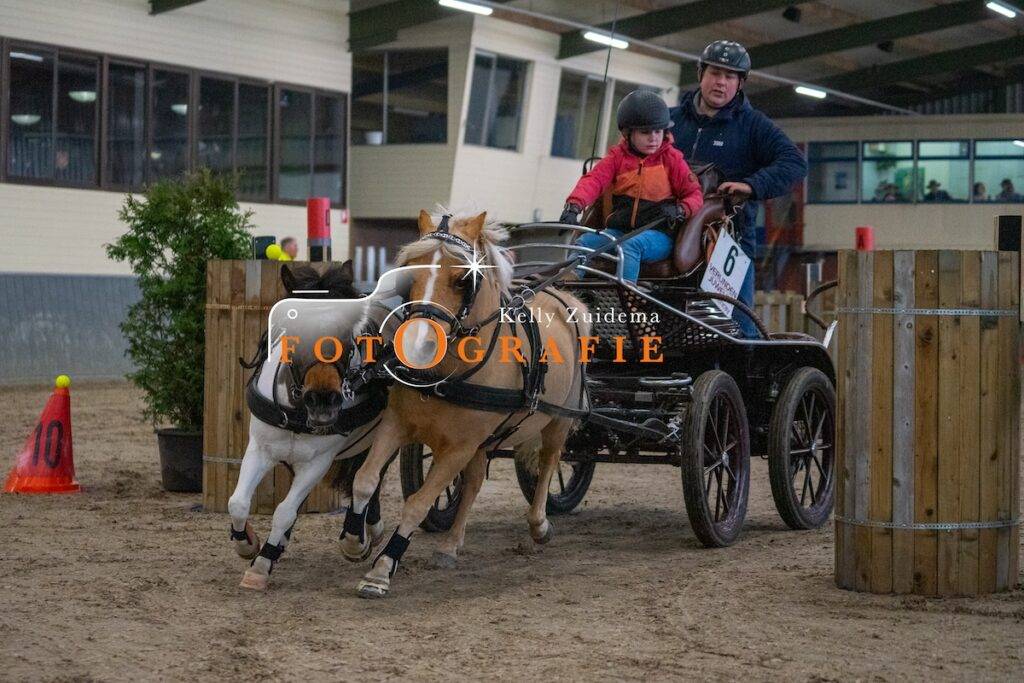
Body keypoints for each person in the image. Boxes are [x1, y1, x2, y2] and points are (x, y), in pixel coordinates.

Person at [669, 40, 807, 337]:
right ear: (701, 74)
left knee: (738, 331)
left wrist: (752, 185)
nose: (720, 82)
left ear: (740, 83)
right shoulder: (669, 122)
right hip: (667, 238)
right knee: (661, 324)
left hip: (728, 243)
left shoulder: (753, 125)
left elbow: (795, 163)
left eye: (729, 76)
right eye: (715, 73)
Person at [560, 89, 703, 283]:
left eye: (658, 131)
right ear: (628, 133)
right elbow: (593, 180)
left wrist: (681, 209)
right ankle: (567, 285)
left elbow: (694, 195)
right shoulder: (617, 158)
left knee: (631, 246)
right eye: (645, 132)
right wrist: (574, 206)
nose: (653, 138)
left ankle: (627, 295)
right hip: (619, 232)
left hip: (659, 236)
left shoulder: (672, 160)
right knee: (584, 242)